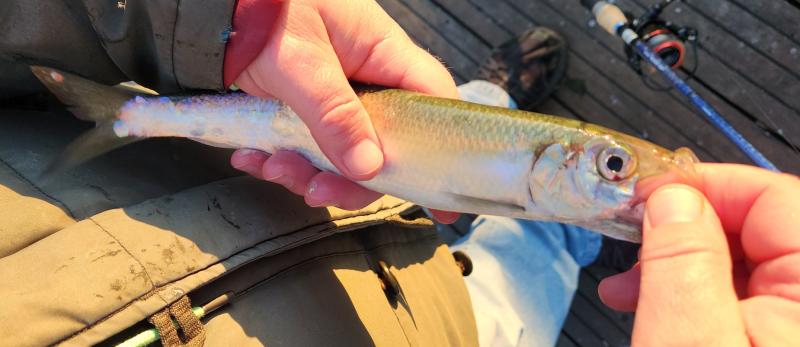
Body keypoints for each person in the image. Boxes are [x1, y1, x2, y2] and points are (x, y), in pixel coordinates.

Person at [1, 1, 797, 347]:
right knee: (539, 251)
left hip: (325, 214)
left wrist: (241, 21)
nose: (625, 179)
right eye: (615, 167)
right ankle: (559, 225)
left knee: (468, 108)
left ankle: (497, 107)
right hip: (440, 332)